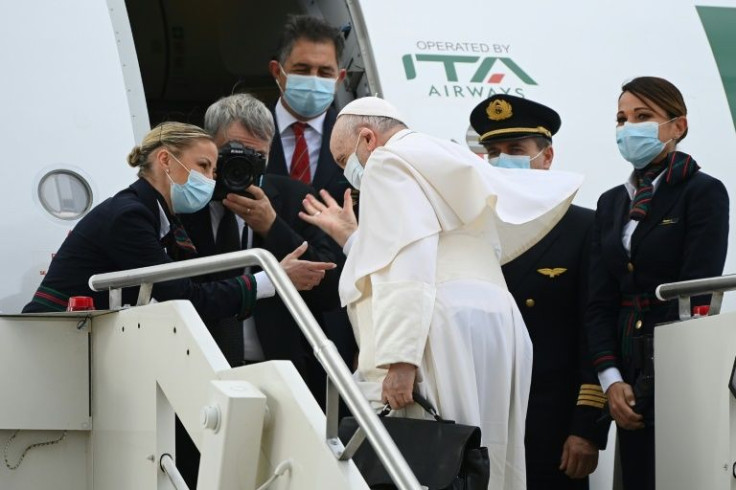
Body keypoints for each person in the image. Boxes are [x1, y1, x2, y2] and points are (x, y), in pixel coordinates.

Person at [300, 96, 584, 490]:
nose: (346, 171)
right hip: (495, 321)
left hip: (440, 324)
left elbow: (409, 259)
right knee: (490, 458)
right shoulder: (436, 154)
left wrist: (401, 359)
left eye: (343, 158)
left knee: (444, 460)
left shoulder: (386, 161)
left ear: (367, 138)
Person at [585, 76, 729, 490]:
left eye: (642, 116)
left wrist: (649, 381)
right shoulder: (612, 202)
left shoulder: (703, 192)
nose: (628, 128)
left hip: (678, 363)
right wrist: (611, 380)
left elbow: (695, 291)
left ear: (677, 127)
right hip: (622, 368)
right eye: (621, 118)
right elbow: (599, 300)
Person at [470, 94, 608, 490]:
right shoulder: (471, 227)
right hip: (483, 415)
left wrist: (586, 426)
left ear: (546, 157)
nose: (502, 160)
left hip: (552, 422)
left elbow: (593, 327)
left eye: (516, 150)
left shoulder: (585, 227)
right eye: (493, 152)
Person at [180, 93, 340, 400]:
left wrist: (273, 227)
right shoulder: (183, 201)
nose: (243, 169)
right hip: (195, 366)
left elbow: (331, 290)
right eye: (233, 154)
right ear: (207, 145)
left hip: (276, 371)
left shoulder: (295, 198)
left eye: (257, 159)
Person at [22, 122, 262, 316]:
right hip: (51, 339)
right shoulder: (129, 217)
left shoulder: (157, 216)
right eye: (203, 165)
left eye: (214, 171)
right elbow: (184, 297)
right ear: (165, 160)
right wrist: (267, 282)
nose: (210, 179)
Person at [267, 13, 357, 376]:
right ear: (278, 71)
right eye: (302, 69)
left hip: (333, 324)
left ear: (339, 78)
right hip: (258, 314)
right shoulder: (243, 133)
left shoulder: (362, 143)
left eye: (324, 72)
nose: (314, 80)